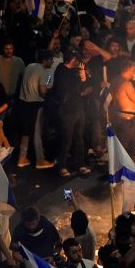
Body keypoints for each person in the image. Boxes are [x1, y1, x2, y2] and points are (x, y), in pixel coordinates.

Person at [48, 48, 92, 178]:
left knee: (79, 138)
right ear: (72, 59)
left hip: (79, 109)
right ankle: (62, 165)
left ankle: (80, 164)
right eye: (77, 60)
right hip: (67, 111)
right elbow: (67, 90)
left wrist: (83, 76)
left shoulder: (75, 71)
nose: (78, 63)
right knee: (66, 139)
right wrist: (82, 90)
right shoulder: (61, 70)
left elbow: (84, 86)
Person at [16, 49, 55, 169]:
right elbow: (43, 90)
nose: (52, 62)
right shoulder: (44, 72)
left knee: (26, 132)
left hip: (23, 103)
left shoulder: (29, 66)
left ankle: (22, 157)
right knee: (37, 132)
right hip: (35, 105)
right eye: (51, 60)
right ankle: (40, 159)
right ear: (45, 60)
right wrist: (49, 93)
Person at [108, 59, 135, 157]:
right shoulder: (126, 84)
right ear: (127, 69)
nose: (134, 72)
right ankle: (117, 169)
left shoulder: (115, 80)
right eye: (133, 70)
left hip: (120, 117)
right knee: (123, 146)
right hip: (126, 120)